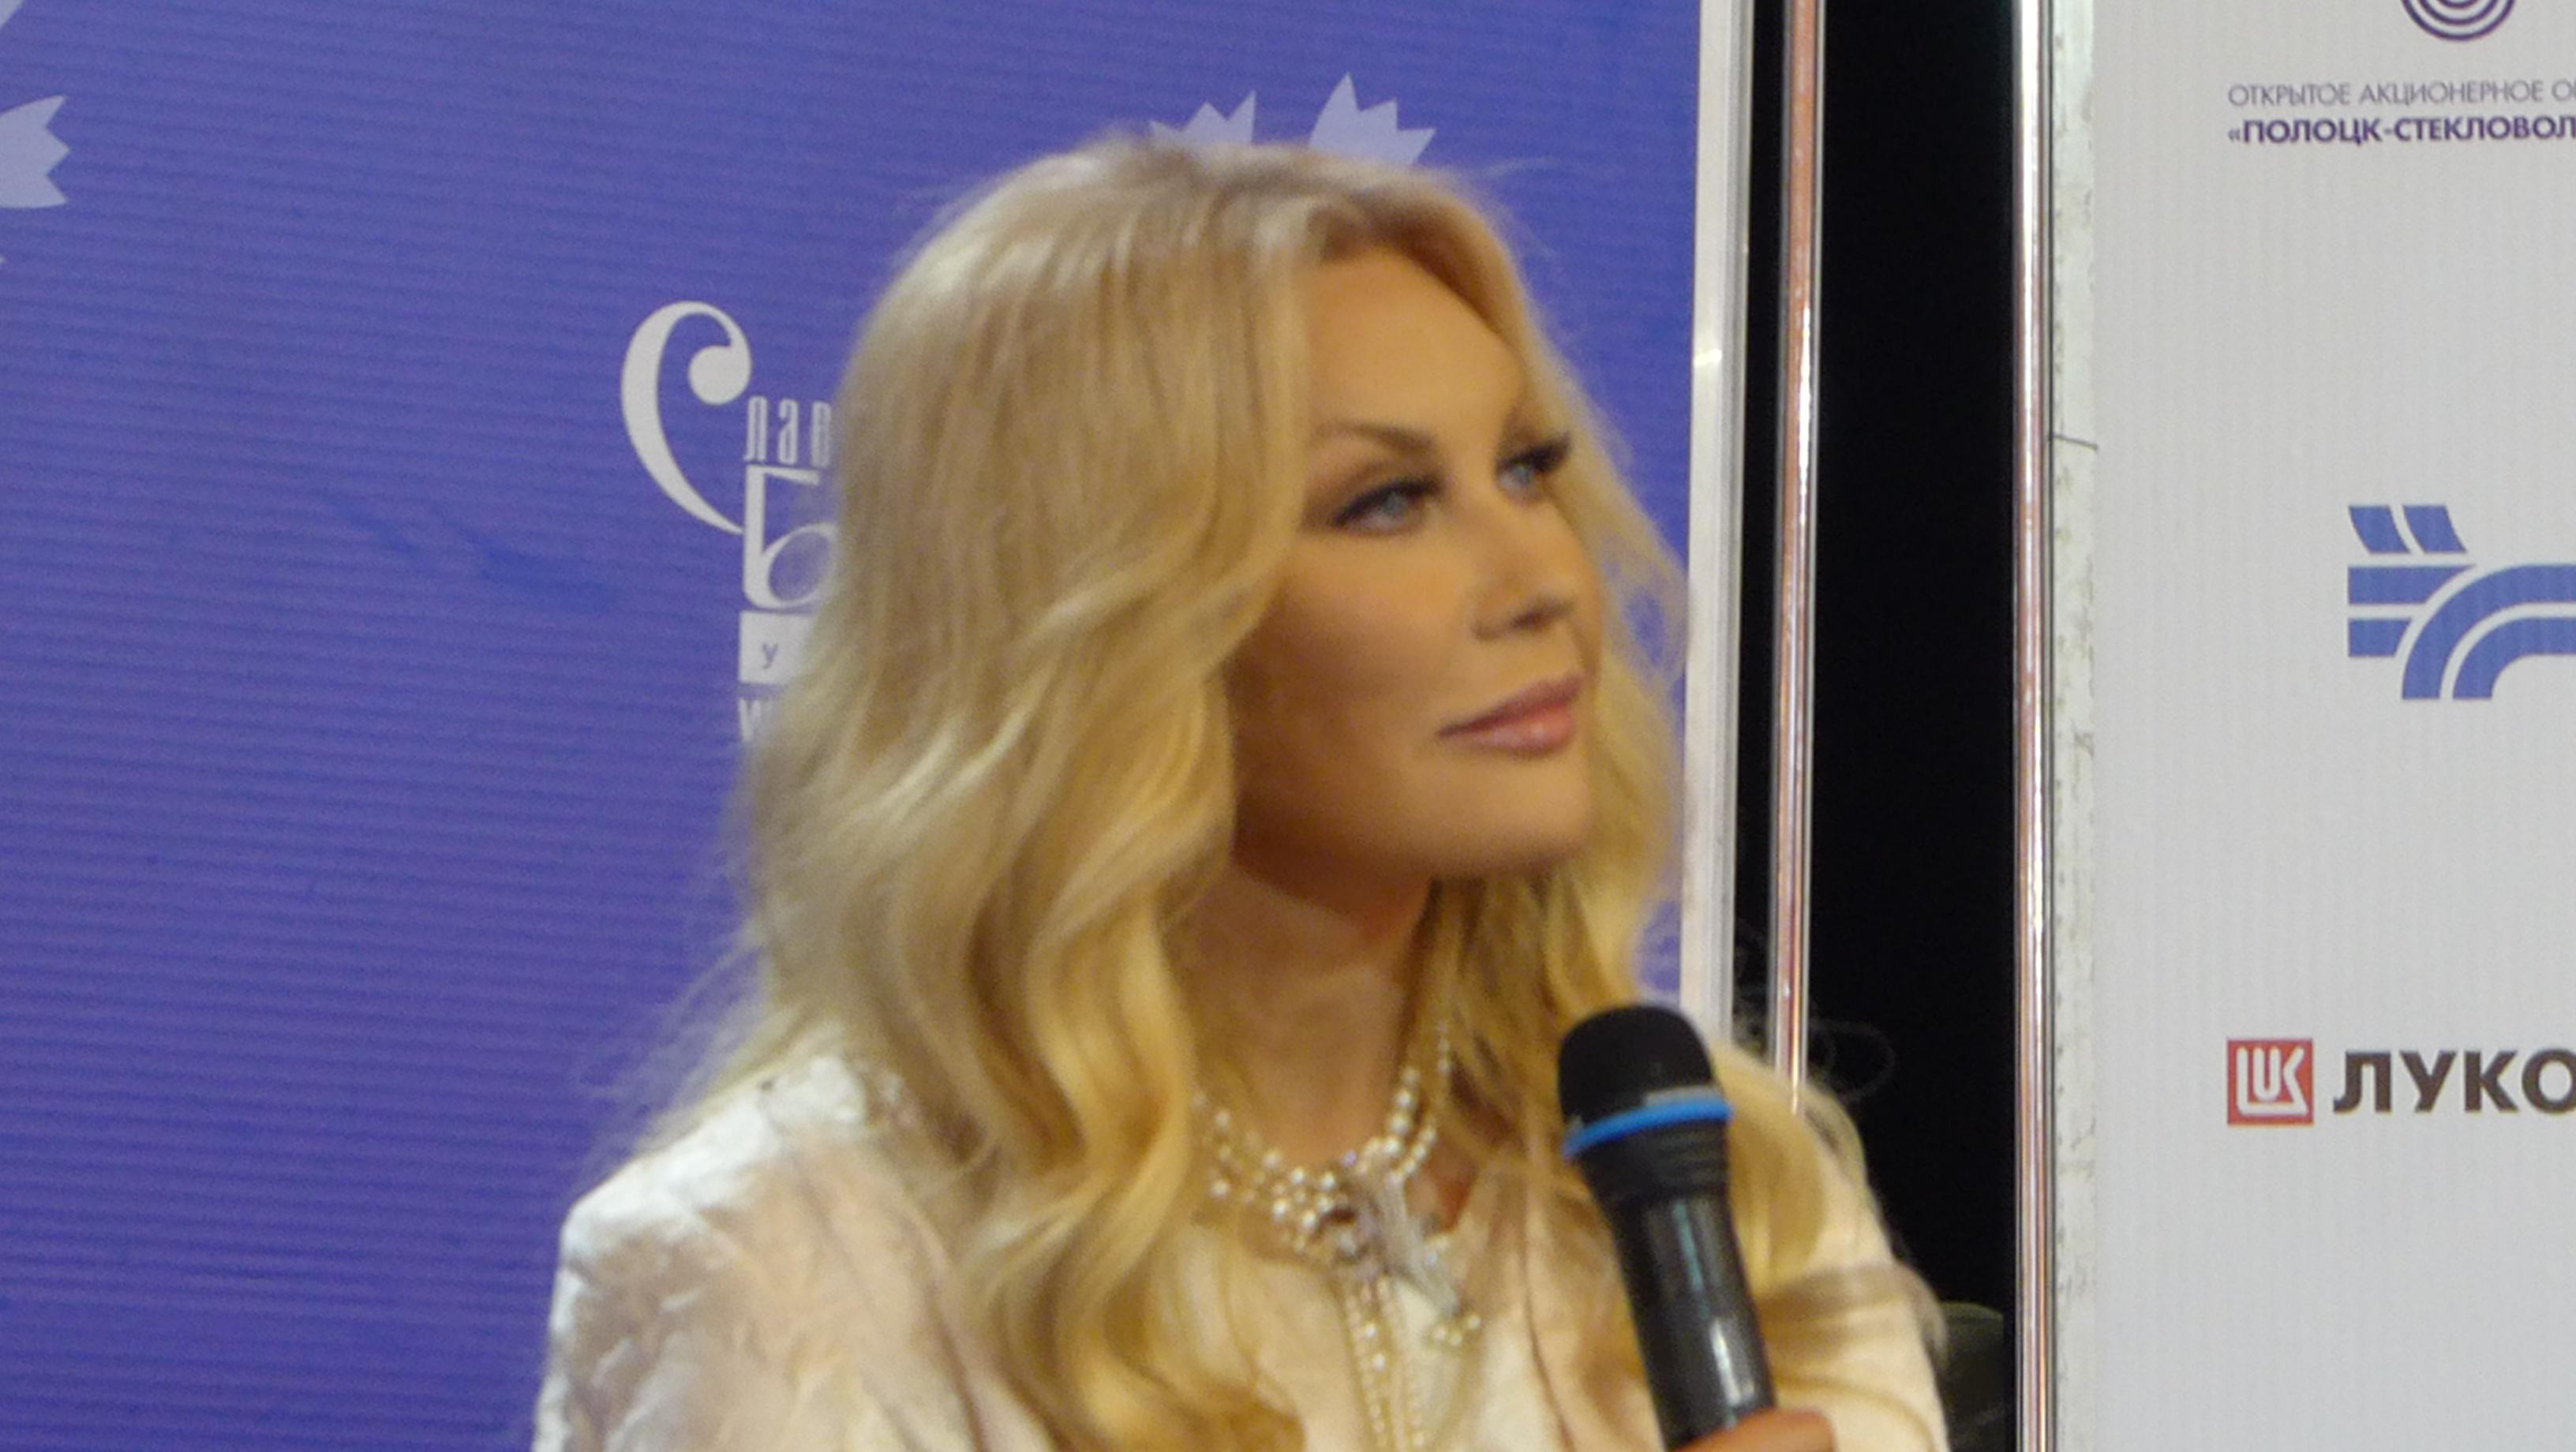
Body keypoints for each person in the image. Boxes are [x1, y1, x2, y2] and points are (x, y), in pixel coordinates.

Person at [533, 137, 1945, 1452]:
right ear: (1108, 620)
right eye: (1386, 501)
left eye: (1525, 470)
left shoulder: (1742, 1196)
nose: (1547, 579)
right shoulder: (782, 1268)